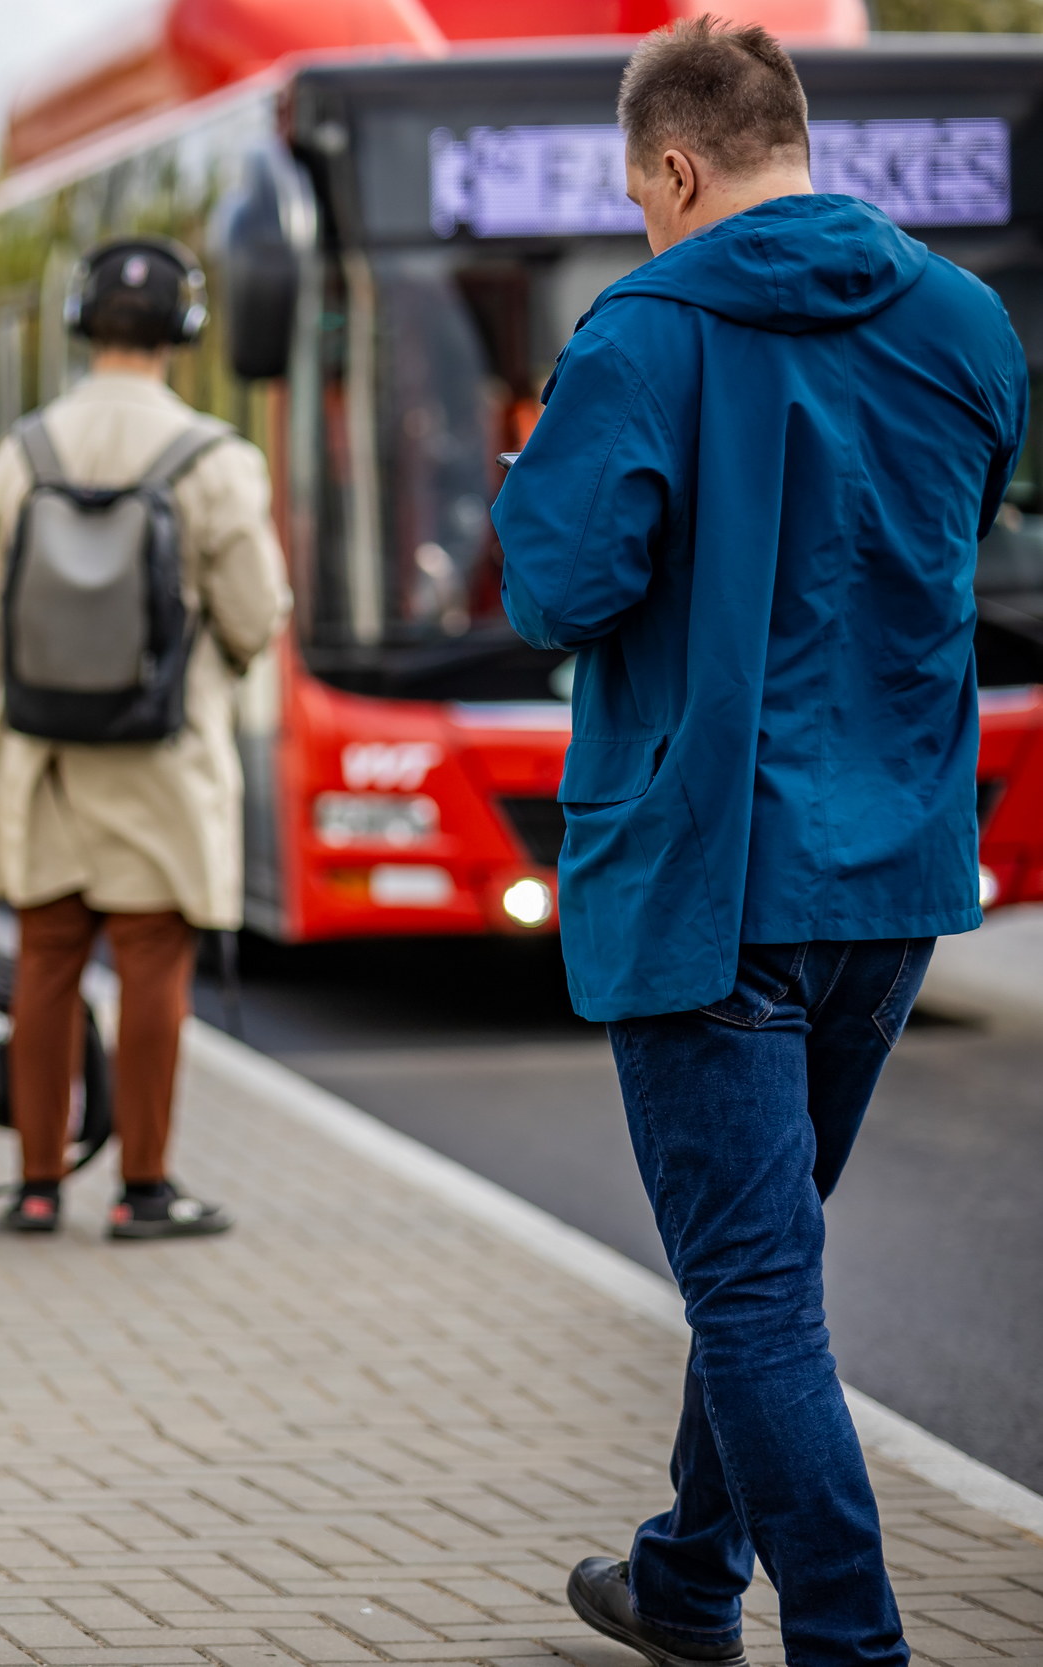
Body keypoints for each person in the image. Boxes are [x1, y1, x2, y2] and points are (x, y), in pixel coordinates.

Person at [493, 23, 1027, 1665]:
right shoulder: (965, 319)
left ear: (674, 168)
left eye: (642, 193)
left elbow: (555, 591)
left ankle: (851, 1643)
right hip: (896, 875)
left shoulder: (643, 333)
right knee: (764, 1259)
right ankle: (687, 1573)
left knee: (754, 1292)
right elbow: (974, 506)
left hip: (712, 881)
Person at [0, 236, 289, 1242]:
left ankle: (35, 1182)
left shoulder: (23, 452)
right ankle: (143, 1186)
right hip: (161, 754)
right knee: (153, 960)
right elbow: (254, 613)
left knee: (46, 958)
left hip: (42, 753)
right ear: (182, 331)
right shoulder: (213, 458)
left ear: (80, 322)